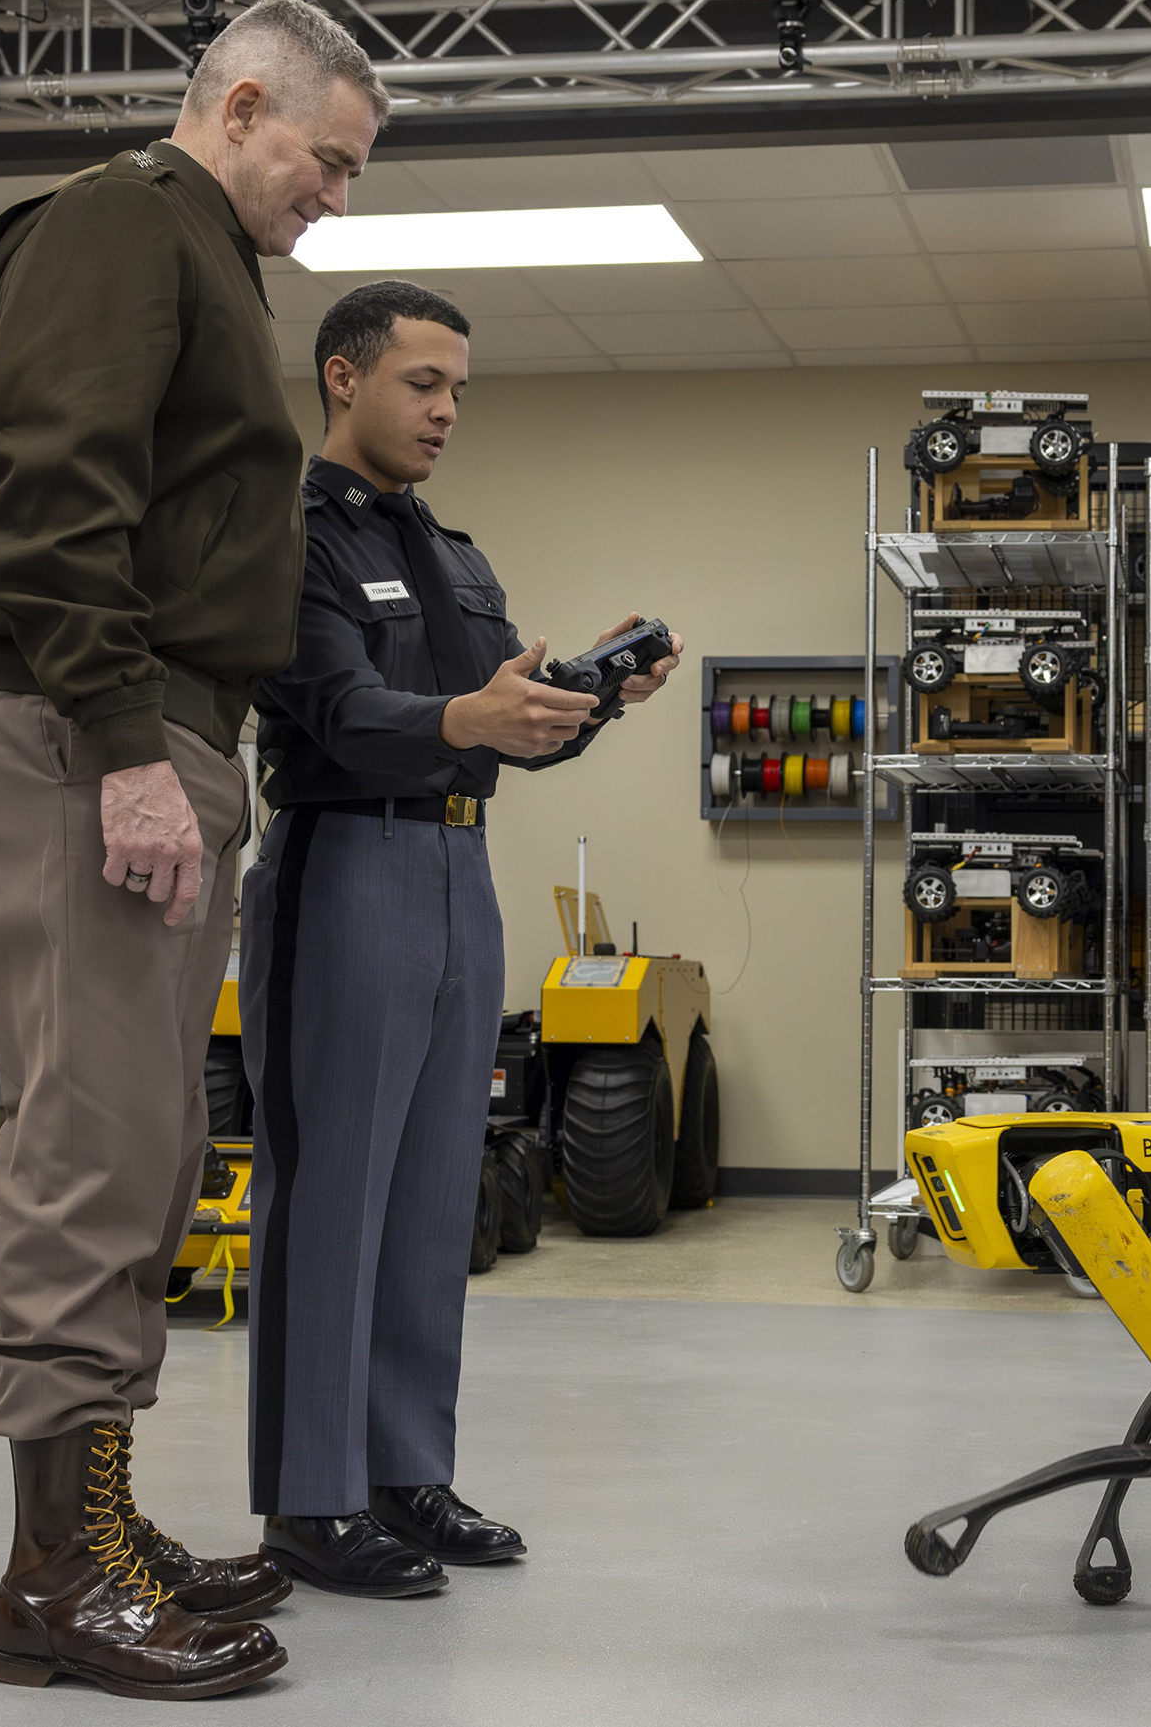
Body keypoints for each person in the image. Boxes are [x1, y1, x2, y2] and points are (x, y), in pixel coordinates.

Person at [0, 0, 388, 1701]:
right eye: (327, 158)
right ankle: (51, 1578)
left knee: (150, 1137)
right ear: (241, 104)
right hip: (84, 728)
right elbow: (51, 500)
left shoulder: (204, 258)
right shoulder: (121, 223)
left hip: (153, 725)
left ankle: (99, 1524)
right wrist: (123, 750)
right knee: (94, 1140)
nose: (336, 194)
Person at [241, 281, 683, 1596]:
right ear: (343, 377)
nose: (444, 411)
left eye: (458, 392)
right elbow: (336, 706)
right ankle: (310, 1503)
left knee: (436, 1192)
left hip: (457, 865)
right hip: (344, 861)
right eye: (422, 383)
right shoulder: (293, 536)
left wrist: (592, 700)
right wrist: (466, 719)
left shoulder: (454, 554)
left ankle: (404, 1476)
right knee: (331, 1194)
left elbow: (504, 735)